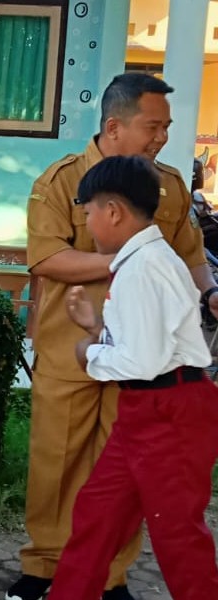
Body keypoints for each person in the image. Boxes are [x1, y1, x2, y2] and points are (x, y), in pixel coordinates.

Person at [7, 72, 218, 600]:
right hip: (74, 349)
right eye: (153, 126)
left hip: (143, 370)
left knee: (124, 488)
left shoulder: (167, 186)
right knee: (58, 464)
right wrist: (124, 260)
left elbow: (190, 255)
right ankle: (44, 567)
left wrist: (210, 292)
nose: (162, 137)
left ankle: (111, 577)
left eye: (166, 127)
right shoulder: (64, 181)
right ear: (115, 126)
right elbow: (47, 257)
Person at [46, 155, 218, 600]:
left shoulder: (143, 267)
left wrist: (89, 353)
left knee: (177, 535)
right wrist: (97, 331)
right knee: (98, 514)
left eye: (88, 213)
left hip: (169, 412)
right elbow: (149, 345)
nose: (88, 224)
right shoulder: (146, 260)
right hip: (149, 408)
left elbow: (142, 362)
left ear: (113, 212)